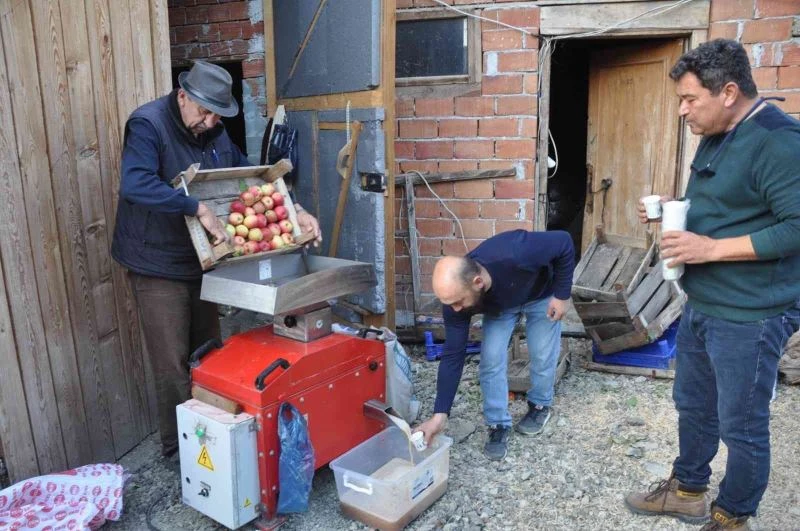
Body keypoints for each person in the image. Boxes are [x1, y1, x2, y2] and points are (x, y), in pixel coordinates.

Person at [624, 39, 800, 530]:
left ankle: (733, 515)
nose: (682, 111)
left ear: (728, 92)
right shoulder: (720, 132)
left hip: (750, 313)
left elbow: (796, 225)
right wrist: (674, 204)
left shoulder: (779, 141)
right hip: (705, 303)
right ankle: (687, 490)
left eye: (689, 99)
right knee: (693, 405)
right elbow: (735, 203)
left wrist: (710, 249)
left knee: (741, 425)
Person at [111, 60, 321, 457]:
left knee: (209, 350)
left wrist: (296, 209)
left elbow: (253, 174)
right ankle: (179, 450)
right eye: (204, 111)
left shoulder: (213, 131)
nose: (209, 121)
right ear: (183, 95)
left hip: (202, 261)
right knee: (172, 363)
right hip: (155, 262)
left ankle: (214, 433)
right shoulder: (147, 125)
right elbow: (135, 183)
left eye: (216, 114)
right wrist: (195, 207)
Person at [414, 230, 575, 461]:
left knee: (541, 353)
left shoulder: (517, 252)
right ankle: (498, 424)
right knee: (490, 360)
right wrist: (440, 415)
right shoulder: (455, 300)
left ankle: (540, 405)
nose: (455, 309)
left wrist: (562, 295)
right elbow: (453, 354)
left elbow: (564, 242)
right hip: (501, 307)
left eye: (458, 302)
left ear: (477, 282)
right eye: (450, 304)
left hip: (541, 294)